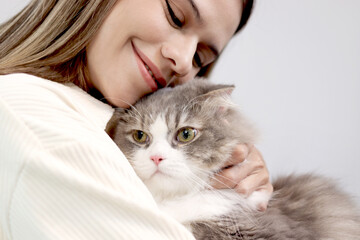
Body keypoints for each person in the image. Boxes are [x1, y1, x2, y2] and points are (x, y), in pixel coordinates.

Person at [0, 0, 272, 239]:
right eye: (175, 16)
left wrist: (229, 176)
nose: (183, 61)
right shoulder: (41, 127)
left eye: (200, 56)